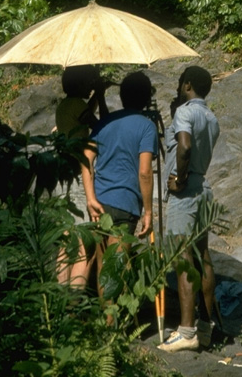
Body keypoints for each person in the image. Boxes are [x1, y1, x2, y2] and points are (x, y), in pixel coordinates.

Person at [158, 65, 220, 353]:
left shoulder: (186, 112)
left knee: (183, 257)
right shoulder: (211, 117)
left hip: (187, 190)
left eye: (180, 83)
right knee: (203, 255)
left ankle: (186, 332)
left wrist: (178, 178)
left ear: (187, 85)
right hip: (204, 187)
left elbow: (183, 146)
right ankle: (206, 328)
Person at [81, 71, 158, 299]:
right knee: (118, 267)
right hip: (126, 204)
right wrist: (149, 211)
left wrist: (90, 198)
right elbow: (145, 172)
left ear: (122, 96)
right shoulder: (146, 127)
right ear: (146, 99)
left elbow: (86, 159)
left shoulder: (105, 122)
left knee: (105, 265)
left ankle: (107, 323)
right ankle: (114, 325)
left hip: (101, 202)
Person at [55, 64, 108, 287]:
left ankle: (61, 294)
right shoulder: (77, 105)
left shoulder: (65, 106)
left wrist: (95, 95)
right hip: (78, 173)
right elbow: (102, 125)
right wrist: (102, 98)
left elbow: (83, 114)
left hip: (61, 172)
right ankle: (76, 301)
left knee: (66, 238)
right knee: (81, 240)